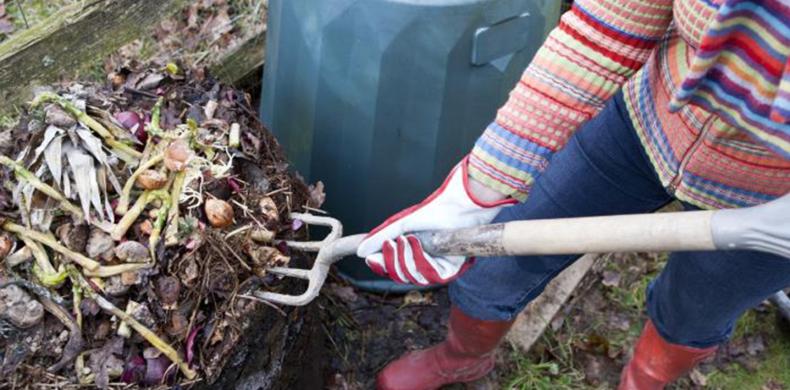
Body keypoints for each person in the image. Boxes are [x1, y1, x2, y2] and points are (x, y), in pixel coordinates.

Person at [356, 0, 790, 389]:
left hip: (772, 205)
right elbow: (609, 23)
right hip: (640, 127)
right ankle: (462, 359)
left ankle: (643, 383)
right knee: (493, 265)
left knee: (692, 316)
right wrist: (479, 188)